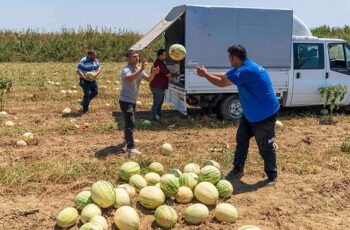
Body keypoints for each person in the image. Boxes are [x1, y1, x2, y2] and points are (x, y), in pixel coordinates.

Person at [196, 44, 280, 186]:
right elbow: (225, 76)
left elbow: (222, 83)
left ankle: (272, 175)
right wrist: (207, 73)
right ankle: (238, 169)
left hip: (263, 114)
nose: (229, 60)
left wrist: (205, 75)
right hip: (250, 113)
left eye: (229, 57)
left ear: (234, 57)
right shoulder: (242, 67)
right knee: (241, 139)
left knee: (265, 146)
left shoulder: (246, 70)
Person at [119, 50, 159, 155]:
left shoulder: (138, 69)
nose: (137, 58)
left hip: (132, 100)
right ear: (128, 58)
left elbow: (149, 79)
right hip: (125, 100)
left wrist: (153, 73)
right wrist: (141, 69)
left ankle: (127, 139)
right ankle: (130, 147)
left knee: (129, 122)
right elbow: (129, 78)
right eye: (134, 56)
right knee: (130, 123)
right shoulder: (126, 69)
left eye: (138, 56)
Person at [149, 49, 175, 121]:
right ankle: (152, 118)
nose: (166, 56)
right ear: (160, 55)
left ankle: (157, 116)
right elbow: (168, 74)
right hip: (157, 86)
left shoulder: (158, 63)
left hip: (157, 86)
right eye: (165, 55)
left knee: (159, 102)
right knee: (157, 103)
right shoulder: (160, 63)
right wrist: (175, 74)